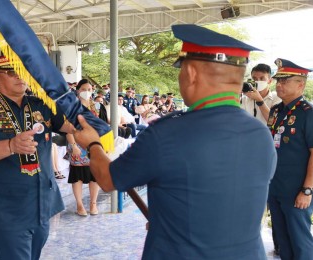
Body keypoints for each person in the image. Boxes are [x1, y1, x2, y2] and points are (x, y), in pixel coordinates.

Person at [73, 24, 277, 259]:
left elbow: (108, 180)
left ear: (190, 74)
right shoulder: (261, 134)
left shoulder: (167, 134)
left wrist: (93, 145)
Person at [0, 49, 75, 260]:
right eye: (12, 71)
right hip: (8, 207)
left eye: (23, 70)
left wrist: (74, 108)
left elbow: (71, 126)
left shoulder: (41, 104)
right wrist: (10, 145)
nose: (20, 76)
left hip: (42, 201)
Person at [266, 58, 313, 260]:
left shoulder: (308, 113)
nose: (279, 85)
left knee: (300, 241)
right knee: (282, 242)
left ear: (300, 84)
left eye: (285, 81)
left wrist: (307, 190)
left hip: (297, 189)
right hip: (275, 185)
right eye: (278, 80)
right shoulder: (276, 110)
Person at [66, 79, 100, 216]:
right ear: (78, 90)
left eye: (90, 90)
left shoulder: (95, 107)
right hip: (77, 144)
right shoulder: (72, 107)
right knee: (78, 176)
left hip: (93, 144)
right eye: (84, 89)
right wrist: (73, 145)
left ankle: (93, 204)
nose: (87, 92)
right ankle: (80, 205)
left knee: (94, 175)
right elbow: (68, 128)